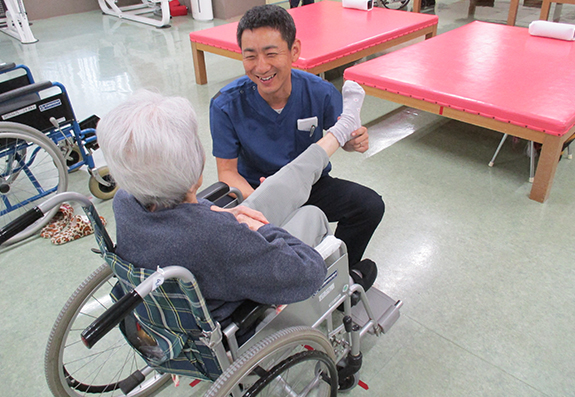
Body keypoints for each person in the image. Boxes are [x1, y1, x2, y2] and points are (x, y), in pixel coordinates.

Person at [96, 85, 364, 332]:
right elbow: (308, 273)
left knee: (276, 188)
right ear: (193, 167)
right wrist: (264, 229)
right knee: (312, 214)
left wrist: (223, 214)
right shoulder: (217, 236)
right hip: (237, 302)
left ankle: (338, 133)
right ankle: (340, 132)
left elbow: (193, 219)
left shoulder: (126, 201)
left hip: (201, 261)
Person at [210, 4, 383, 293]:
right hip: (257, 189)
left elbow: (348, 140)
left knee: (370, 205)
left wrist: (354, 142)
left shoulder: (319, 91)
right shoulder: (226, 104)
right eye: (249, 56)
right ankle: (303, 278)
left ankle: (338, 275)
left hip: (311, 183)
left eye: (271, 53)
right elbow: (226, 172)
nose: (261, 67)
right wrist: (266, 202)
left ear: (294, 51)